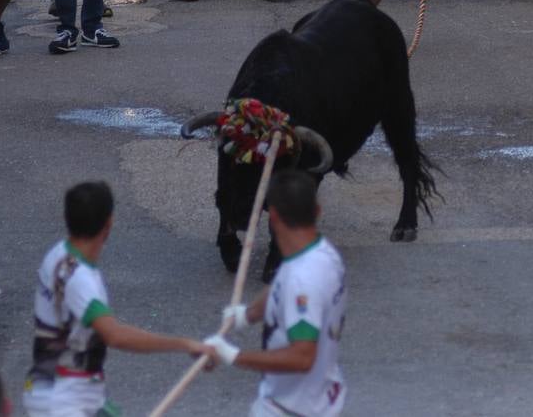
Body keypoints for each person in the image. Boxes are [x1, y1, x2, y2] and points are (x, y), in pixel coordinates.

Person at [24, 181, 211, 417]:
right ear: (109, 223)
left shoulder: (57, 254)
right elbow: (115, 335)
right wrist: (185, 344)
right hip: (66, 401)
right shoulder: (82, 280)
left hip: (48, 389)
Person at [205, 171, 348, 417]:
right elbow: (280, 285)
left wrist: (233, 356)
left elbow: (302, 357)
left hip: (293, 409)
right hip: (319, 397)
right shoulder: (322, 253)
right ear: (317, 211)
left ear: (273, 217)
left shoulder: (302, 280)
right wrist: (247, 315)